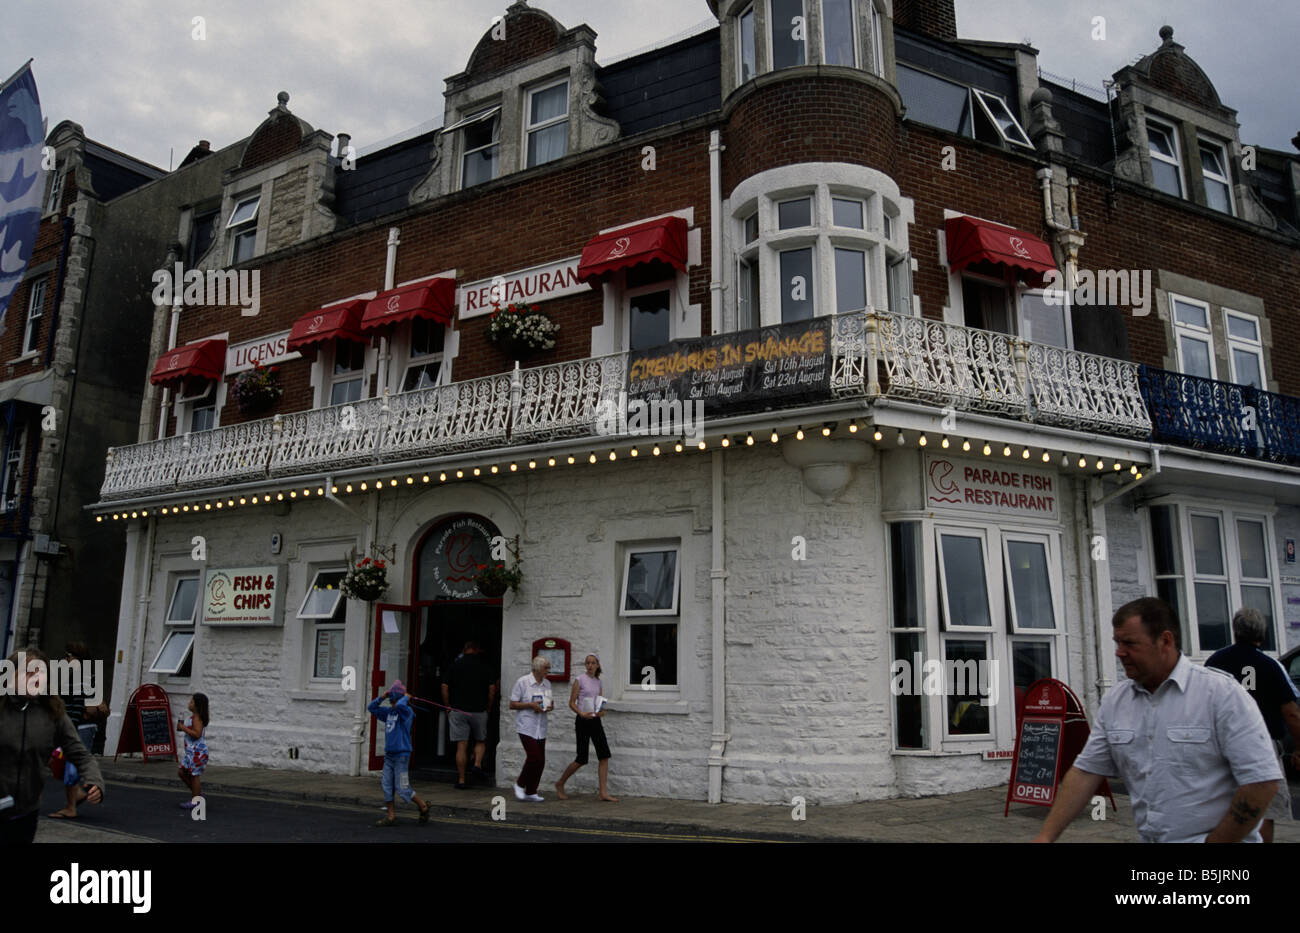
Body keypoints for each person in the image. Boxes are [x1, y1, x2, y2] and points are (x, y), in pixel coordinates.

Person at [1033, 597, 1281, 843]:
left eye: (1129, 643)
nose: (1120, 653)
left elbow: (1261, 782)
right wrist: (1044, 838)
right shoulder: (1116, 702)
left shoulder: (1221, 694)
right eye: (1117, 642)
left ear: (1165, 641)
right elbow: (1086, 773)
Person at [1205, 607, 1300, 843]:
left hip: (1222, 745)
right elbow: (1291, 712)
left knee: (1223, 803)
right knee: (1264, 808)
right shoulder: (1270, 665)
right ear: (1262, 634)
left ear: (1235, 632)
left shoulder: (1214, 662)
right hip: (1263, 744)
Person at [0, 648, 104, 843]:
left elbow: (80, 753)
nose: (36, 678)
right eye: (29, 672)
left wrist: (95, 780)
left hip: (25, 814)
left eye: (41, 673)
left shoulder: (52, 713)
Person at [49, 641, 106, 819]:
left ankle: (71, 807)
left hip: (79, 726)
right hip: (81, 725)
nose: (64, 659)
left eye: (68, 655)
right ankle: (74, 800)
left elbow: (80, 706)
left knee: (73, 765)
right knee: (69, 764)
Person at [367, 680, 430, 826]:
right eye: (391, 701)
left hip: (402, 756)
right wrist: (382, 697)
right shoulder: (389, 712)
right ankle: (391, 816)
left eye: (394, 700)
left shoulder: (406, 712)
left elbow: (401, 705)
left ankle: (423, 806)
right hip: (389, 756)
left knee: (402, 787)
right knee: (387, 785)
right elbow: (371, 708)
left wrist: (406, 697)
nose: (393, 703)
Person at [555, 655, 617, 802]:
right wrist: (581, 713)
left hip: (595, 721)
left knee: (604, 755)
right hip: (583, 721)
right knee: (581, 758)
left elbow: (599, 702)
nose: (590, 665)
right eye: (587, 663)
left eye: (593, 663)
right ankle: (560, 783)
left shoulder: (598, 682)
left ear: (597, 665)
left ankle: (603, 793)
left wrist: (601, 711)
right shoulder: (580, 680)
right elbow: (571, 703)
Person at [441, 641, 496, 789]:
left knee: (461, 745)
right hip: (479, 710)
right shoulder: (485, 666)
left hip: (458, 710)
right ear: (476, 650)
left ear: (465, 650)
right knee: (480, 740)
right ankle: (477, 764)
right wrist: (489, 707)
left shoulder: (455, 665)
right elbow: (492, 689)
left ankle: (461, 780)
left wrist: (448, 706)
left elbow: (445, 687)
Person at [508, 656, 552, 802]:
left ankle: (532, 791)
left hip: (541, 726)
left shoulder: (547, 683)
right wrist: (530, 705)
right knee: (534, 757)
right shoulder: (523, 682)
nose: (548, 670)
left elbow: (549, 702)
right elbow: (512, 704)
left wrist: (549, 706)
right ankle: (520, 784)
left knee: (541, 761)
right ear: (538, 668)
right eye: (546, 668)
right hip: (526, 726)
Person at [176, 693, 210, 810]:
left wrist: (183, 728)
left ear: (197, 705)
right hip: (191, 752)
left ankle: (196, 801)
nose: (189, 703)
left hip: (197, 751)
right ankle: (198, 794)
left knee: (194, 775)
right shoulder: (193, 717)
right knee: (182, 772)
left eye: (192, 702)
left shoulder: (197, 718)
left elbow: (197, 734)